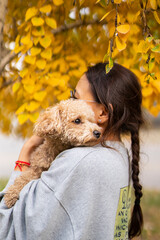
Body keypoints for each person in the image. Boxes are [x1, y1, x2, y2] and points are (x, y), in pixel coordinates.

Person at [0, 62, 144, 240]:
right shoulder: (119, 154)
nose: (71, 101)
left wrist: (26, 152)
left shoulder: (77, 161)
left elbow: (8, 226)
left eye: (75, 97)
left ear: (103, 113)